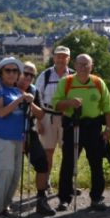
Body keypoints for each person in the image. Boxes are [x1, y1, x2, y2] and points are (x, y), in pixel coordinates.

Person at [53, 54, 110, 212]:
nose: (83, 67)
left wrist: (108, 129)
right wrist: (69, 103)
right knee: (68, 163)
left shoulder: (98, 82)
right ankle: (64, 199)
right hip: (72, 126)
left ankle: (96, 198)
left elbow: (108, 107)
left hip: (93, 128)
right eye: (80, 64)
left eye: (86, 64)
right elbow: (56, 104)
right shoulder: (66, 82)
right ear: (75, 65)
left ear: (91, 66)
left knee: (96, 163)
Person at [0, 57, 34, 218]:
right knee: (5, 173)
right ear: (1, 73)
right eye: (8, 70)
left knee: (15, 174)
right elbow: (0, 112)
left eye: (15, 71)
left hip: (18, 137)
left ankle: (5, 207)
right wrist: (19, 100)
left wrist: (28, 102)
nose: (12, 74)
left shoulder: (17, 91)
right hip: (2, 136)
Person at [18, 62, 55, 217]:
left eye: (32, 75)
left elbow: (41, 115)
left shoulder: (34, 90)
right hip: (11, 134)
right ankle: (2, 205)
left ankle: (41, 200)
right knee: (10, 170)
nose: (28, 77)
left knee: (42, 164)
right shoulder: (10, 87)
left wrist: (31, 103)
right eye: (25, 73)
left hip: (29, 133)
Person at [35, 45, 72, 195]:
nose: (61, 59)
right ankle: (46, 182)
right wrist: (38, 121)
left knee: (68, 153)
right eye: (58, 56)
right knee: (48, 152)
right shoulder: (45, 75)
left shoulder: (74, 76)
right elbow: (37, 98)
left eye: (64, 56)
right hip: (47, 116)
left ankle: (67, 184)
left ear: (69, 59)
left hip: (67, 118)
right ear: (54, 57)